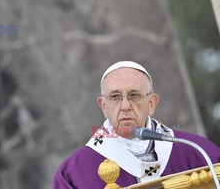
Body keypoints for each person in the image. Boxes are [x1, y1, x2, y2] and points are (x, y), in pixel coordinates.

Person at [52, 61, 220, 188]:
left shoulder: (198, 152)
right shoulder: (73, 174)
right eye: (115, 97)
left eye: (134, 95)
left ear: (152, 103)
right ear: (103, 106)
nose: (125, 106)